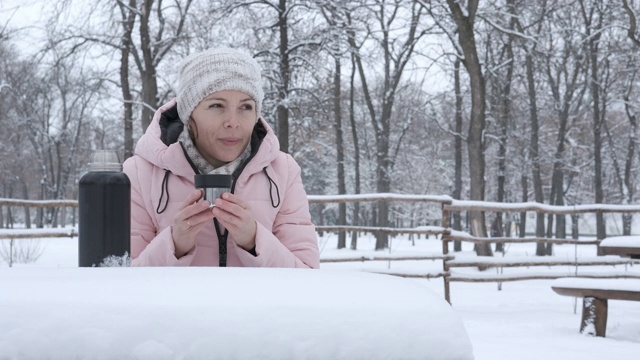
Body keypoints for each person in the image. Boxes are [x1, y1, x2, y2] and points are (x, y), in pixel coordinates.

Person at [123, 47, 319, 268]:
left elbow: (306, 274)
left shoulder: (283, 171)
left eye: (246, 106)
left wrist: (254, 240)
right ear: (189, 113)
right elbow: (123, 280)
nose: (233, 121)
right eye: (217, 105)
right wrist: (174, 244)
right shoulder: (140, 173)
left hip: (261, 304)